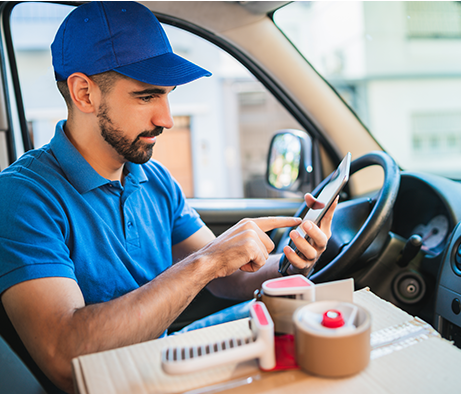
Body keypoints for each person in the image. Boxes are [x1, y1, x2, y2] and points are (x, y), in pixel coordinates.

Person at [0, 1, 336, 393]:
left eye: (168, 96)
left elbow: (227, 278)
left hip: (160, 367)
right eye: (147, 96)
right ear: (84, 93)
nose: (167, 119)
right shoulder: (22, 196)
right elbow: (65, 356)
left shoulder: (153, 179)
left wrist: (289, 266)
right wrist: (207, 261)